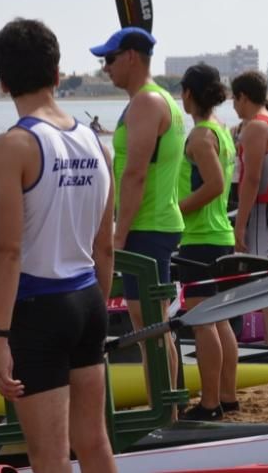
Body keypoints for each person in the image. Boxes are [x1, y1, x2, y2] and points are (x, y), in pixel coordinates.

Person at [0, 18, 116, 472]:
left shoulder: (12, 146)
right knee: (95, 442)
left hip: (38, 310)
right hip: (87, 301)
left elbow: (6, 250)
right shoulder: (97, 142)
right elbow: (105, 245)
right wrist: (100, 305)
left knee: (49, 456)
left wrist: (0, 336)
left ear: (2, 82)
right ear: (58, 73)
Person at [90, 26, 184, 398]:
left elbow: (135, 174)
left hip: (147, 227)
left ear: (131, 57)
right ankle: (165, 408)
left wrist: (117, 234)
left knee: (150, 328)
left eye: (109, 59)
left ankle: (165, 412)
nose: (105, 67)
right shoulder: (152, 99)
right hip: (152, 224)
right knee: (152, 327)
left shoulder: (147, 102)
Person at [176, 64, 239, 421]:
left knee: (202, 322)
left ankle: (211, 403)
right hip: (219, 236)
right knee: (221, 320)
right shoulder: (222, 130)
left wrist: (175, 211)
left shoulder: (200, 136)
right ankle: (227, 397)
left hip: (200, 237)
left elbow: (214, 185)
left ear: (188, 93)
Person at [230, 70, 268, 346]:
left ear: (243, 97)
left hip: (262, 211)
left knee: (262, 280)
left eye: (234, 99)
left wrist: (239, 224)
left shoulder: (255, 127)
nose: (233, 105)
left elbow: (251, 179)